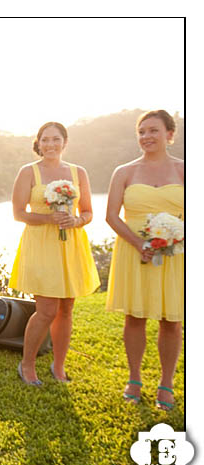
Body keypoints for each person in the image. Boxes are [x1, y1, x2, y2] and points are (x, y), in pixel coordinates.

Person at [9, 122, 100, 385]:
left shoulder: (78, 172)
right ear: (38, 143)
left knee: (67, 309)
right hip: (40, 244)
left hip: (70, 244)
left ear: (65, 142)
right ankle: (27, 365)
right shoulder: (28, 172)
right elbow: (18, 214)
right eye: (45, 140)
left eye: (56, 139)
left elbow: (88, 212)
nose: (50, 144)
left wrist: (77, 221)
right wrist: (48, 218)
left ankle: (58, 366)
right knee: (47, 310)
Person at [105, 110, 183, 410]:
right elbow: (111, 215)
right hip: (134, 250)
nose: (147, 137)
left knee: (171, 320)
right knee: (135, 316)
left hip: (175, 256)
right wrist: (139, 243)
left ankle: (167, 383)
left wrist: (178, 238)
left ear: (169, 134)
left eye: (153, 131)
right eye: (142, 132)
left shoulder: (185, 170)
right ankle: (134, 378)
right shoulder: (124, 172)